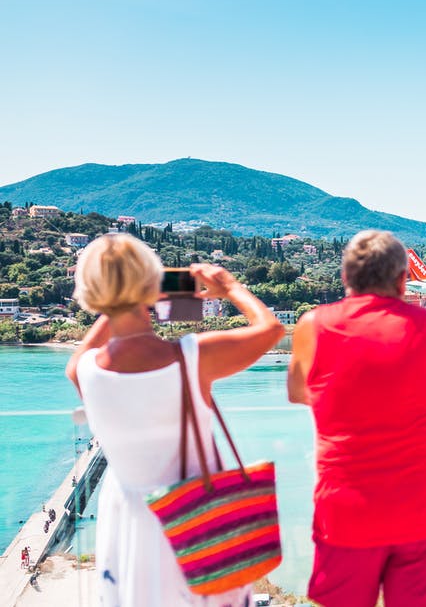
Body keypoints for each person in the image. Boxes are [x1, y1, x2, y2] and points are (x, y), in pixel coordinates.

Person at [65, 233, 284, 606]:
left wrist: (121, 290)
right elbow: (271, 329)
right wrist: (229, 285)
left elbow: (90, 346)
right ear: (149, 285)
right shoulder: (192, 357)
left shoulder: (82, 369)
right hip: (195, 518)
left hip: (128, 521)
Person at [288, 230, 426, 607]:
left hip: (346, 511)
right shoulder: (425, 325)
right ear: (403, 280)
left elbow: (298, 392)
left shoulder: (312, 325)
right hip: (424, 508)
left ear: (345, 278)